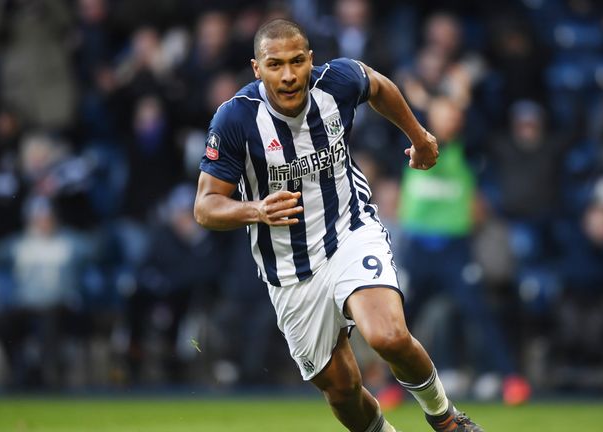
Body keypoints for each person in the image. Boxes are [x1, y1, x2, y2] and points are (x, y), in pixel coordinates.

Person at [194, 19, 483, 432]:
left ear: (311, 60)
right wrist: (256, 210)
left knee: (387, 336)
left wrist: (420, 137)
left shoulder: (337, 81)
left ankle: (446, 418)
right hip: (289, 270)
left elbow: (378, 85)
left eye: (297, 61)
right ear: (257, 69)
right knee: (341, 388)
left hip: (350, 229)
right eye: (275, 64)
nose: (289, 75)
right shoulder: (235, 119)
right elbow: (205, 207)